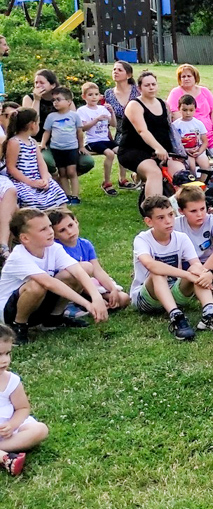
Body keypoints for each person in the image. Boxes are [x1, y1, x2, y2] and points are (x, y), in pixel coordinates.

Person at [0, 207, 108, 344]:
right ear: (25, 238)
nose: (50, 232)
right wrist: (87, 304)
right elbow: (48, 283)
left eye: (49, 226)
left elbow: (77, 270)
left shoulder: (53, 248)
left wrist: (96, 297)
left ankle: (53, 319)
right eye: (42, 229)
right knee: (36, 285)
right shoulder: (18, 256)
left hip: (40, 302)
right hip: (11, 311)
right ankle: (19, 326)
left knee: (85, 267)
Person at [130, 195, 213, 340]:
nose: (169, 221)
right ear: (149, 221)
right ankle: (176, 317)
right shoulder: (142, 239)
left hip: (175, 292)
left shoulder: (181, 238)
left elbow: (196, 264)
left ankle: (210, 313)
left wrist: (205, 275)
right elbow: (151, 265)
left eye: (170, 215)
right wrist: (186, 274)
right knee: (157, 273)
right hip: (146, 297)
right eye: (161, 218)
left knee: (195, 269)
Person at [116, 71, 186, 198]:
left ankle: (183, 207)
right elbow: (142, 131)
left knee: (180, 172)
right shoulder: (134, 105)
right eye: (147, 85)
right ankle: (153, 210)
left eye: (153, 84)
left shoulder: (164, 104)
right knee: (154, 173)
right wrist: (158, 147)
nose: (151, 87)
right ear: (139, 88)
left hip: (161, 152)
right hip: (133, 150)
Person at [48, 208, 130, 310]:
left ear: (76, 222)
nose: (69, 232)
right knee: (84, 268)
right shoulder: (56, 249)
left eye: (70, 225)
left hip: (86, 286)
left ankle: (92, 302)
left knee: (123, 298)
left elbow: (97, 270)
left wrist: (112, 289)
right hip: (67, 288)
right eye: (62, 230)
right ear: (55, 235)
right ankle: (78, 304)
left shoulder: (85, 244)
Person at [166, 65, 213, 179]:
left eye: (189, 76)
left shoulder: (204, 91)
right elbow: (174, 112)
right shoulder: (175, 92)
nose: (186, 78)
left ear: (195, 77)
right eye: (183, 76)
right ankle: (196, 178)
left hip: (209, 133)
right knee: (193, 157)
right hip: (189, 135)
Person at [0, 322, 50, 476]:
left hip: (9, 431)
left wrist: (11, 425)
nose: (5, 360)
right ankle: (5, 458)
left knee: (40, 430)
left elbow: (23, 408)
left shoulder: (11, 381)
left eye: (7, 353)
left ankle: (3, 450)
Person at [22, 70, 93, 177]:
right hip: (42, 142)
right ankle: (57, 180)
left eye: (42, 82)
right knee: (47, 161)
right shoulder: (29, 98)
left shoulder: (64, 99)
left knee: (87, 162)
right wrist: (37, 100)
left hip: (65, 141)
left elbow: (73, 123)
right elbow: (30, 125)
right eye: (36, 82)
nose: (38, 85)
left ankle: (64, 178)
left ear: (52, 85)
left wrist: (79, 145)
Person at [5, 110, 69, 210]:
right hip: (22, 181)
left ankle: (62, 216)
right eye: (38, 123)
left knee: (57, 191)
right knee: (30, 198)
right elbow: (11, 167)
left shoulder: (33, 142)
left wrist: (45, 178)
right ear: (32, 125)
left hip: (37, 177)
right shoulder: (14, 142)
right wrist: (30, 182)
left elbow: (41, 163)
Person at [42, 87, 85, 204]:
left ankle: (75, 196)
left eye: (58, 99)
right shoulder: (51, 117)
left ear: (69, 102)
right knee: (62, 173)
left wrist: (81, 146)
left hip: (71, 148)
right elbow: (47, 132)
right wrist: (43, 144)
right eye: (53, 100)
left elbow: (79, 132)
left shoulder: (74, 116)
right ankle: (66, 195)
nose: (55, 102)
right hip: (57, 149)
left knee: (72, 172)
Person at [78, 82, 119, 195]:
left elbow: (114, 124)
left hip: (105, 139)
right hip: (93, 141)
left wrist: (112, 112)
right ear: (84, 97)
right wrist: (96, 119)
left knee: (122, 152)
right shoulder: (82, 110)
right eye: (90, 94)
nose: (94, 97)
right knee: (110, 154)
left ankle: (123, 179)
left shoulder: (102, 108)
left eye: (96, 94)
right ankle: (107, 183)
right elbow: (83, 128)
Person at [103, 61, 140, 189]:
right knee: (122, 144)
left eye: (119, 70)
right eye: (114, 69)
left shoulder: (137, 90)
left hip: (138, 128)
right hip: (121, 130)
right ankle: (122, 179)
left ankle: (138, 175)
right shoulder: (109, 93)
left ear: (128, 75)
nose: (115, 72)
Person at [173, 94, 213, 175]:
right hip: (184, 153)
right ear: (179, 109)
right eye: (184, 110)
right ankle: (192, 185)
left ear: (195, 109)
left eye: (191, 110)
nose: (188, 113)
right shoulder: (175, 125)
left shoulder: (198, 124)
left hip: (198, 151)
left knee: (206, 166)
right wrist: (185, 151)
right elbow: (175, 143)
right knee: (191, 167)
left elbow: (205, 142)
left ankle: (202, 185)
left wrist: (199, 151)